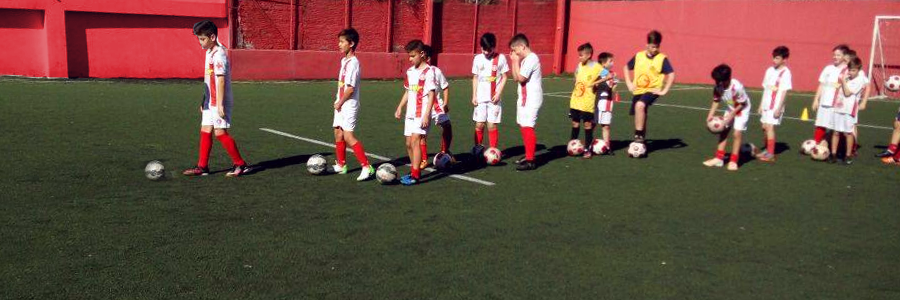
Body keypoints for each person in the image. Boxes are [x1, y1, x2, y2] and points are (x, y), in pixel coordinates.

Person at [182, 20, 251, 177]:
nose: (200, 42)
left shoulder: (219, 54)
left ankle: (241, 165)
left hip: (219, 101)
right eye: (198, 39)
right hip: (209, 100)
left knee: (220, 133)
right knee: (205, 130)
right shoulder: (209, 52)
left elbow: (220, 80)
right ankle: (202, 167)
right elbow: (210, 79)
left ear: (212, 37)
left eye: (202, 39)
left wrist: (219, 105)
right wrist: (204, 100)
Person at [331, 28, 375, 181]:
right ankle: (342, 165)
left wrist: (340, 102)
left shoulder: (353, 63)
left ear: (352, 44)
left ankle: (366, 166)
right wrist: (338, 101)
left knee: (348, 136)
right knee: (338, 132)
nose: (339, 44)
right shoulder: (344, 61)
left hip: (348, 104)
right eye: (339, 41)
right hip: (341, 103)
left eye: (342, 42)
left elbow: (350, 89)